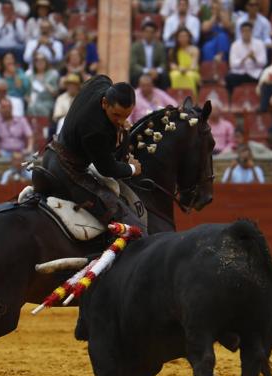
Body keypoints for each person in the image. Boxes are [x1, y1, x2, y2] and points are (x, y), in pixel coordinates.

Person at [41, 76, 144, 225]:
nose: (121, 121)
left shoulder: (101, 84)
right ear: (104, 103)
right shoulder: (96, 130)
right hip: (66, 172)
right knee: (124, 217)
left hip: (52, 153)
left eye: (126, 116)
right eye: (116, 115)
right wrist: (133, 168)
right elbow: (107, 168)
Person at [0, 0, 26, 77]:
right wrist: (2, 25)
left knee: (21, 48)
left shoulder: (18, 21)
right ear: (1, 9)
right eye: (5, 9)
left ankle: (21, 76)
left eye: (9, 9)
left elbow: (22, 39)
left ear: (13, 9)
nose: (7, 11)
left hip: (14, 47)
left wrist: (15, 26)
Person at [225, 22, 267, 96]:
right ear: (241, 32)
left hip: (255, 73)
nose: (246, 33)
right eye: (244, 31)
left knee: (265, 77)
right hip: (240, 73)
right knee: (229, 78)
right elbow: (232, 65)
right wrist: (244, 59)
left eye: (248, 31)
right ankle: (232, 100)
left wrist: (254, 58)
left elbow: (263, 63)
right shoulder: (235, 45)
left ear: (252, 32)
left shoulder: (260, 44)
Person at [129, 18, 169, 89]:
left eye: (151, 32)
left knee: (164, 76)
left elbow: (163, 63)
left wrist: (156, 71)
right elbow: (133, 65)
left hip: (156, 73)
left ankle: (163, 97)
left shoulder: (160, 46)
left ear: (155, 34)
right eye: (147, 32)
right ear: (142, 33)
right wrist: (147, 71)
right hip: (142, 72)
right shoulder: (135, 46)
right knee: (134, 76)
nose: (149, 34)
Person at [168, 28, 201, 95]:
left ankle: (192, 98)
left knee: (190, 76)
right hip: (178, 70)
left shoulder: (194, 49)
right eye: (181, 36)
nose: (183, 38)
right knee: (174, 75)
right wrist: (180, 69)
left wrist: (185, 69)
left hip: (191, 71)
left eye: (185, 36)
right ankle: (176, 98)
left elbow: (193, 66)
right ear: (177, 38)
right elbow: (172, 66)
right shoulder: (172, 51)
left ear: (189, 37)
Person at [26, 53, 59, 117]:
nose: (40, 63)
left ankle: (44, 126)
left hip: (47, 102)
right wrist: (28, 99)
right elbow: (26, 93)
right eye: (37, 61)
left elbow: (55, 93)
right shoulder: (30, 76)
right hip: (33, 102)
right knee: (31, 108)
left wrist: (47, 86)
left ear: (46, 62)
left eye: (42, 61)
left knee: (40, 108)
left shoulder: (53, 74)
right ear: (34, 63)